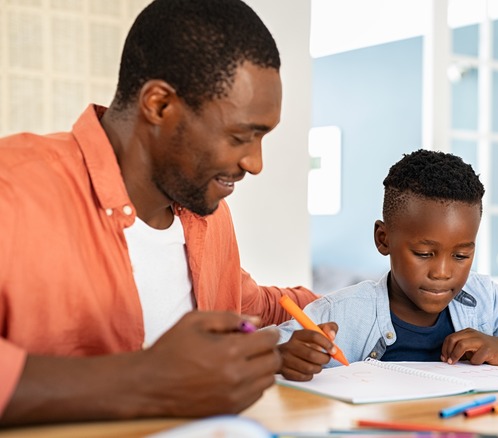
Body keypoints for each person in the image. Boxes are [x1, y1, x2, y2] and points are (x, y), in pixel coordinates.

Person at [0, 0, 317, 426]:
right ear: (159, 104)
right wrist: (147, 379)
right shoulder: (14, 189)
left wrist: (394, 303)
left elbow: (260, 305)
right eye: (241, 136)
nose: (255, 163)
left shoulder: (208, 215)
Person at [276, 149, 498, 381]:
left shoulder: (484, 300)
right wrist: (283, 357)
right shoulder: (341, 313)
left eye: (461, 256)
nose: (442, 272)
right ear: (383, 239)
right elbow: (267, 353)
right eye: (425, 253)